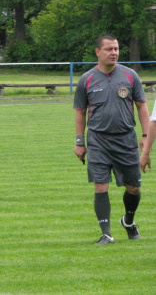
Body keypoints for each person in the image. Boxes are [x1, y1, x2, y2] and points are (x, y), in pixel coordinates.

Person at [73, 34, 148, 245]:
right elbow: (79, 112)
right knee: (100, 186)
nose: (114, 53)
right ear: (98, 52)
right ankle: (106, 233)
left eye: (116, 49)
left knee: (134, 188)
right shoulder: (86, 79)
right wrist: (80, 142)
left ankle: (128, 221)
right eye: (109, 49)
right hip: (98, 141)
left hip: (126, 140)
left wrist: (145, 135)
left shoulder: (130, 75)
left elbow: (142, 105)